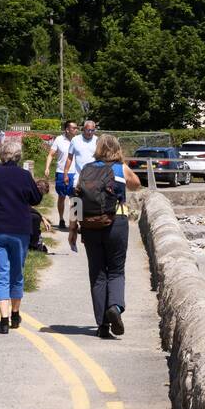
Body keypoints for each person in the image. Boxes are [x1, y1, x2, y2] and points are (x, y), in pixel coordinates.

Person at [69, 134, 141, 339]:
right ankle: (115, 307)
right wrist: (123, 166)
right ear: (117, 149)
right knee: (116, 271)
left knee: (97, 273)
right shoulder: (121, 168)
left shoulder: (87, 169)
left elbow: (76, 198)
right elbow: (136, 184)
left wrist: (73, 228)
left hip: (90, 225)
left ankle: (102, 325)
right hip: (116, 223)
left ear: (98, 149)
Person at [0, 138, 43, 334]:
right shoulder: (24, 175)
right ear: (19, 156)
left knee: (0, 273)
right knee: (17, 272)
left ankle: (3, 319)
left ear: (2, 156)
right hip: (20, 229)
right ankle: (15, 313)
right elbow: (36, 199)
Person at [43, 119, 79, 230]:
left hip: (76, 173)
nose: (76, 130)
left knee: (76, 199)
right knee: (62, 197)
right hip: (61, 172)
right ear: (67, 129)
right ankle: (61, 219)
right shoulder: (59, 139)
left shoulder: (79, 140)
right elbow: (51, 154)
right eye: (74, 128)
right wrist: (47, 167)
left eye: (77, 128)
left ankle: (75, 223)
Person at [29, 178, 53, 254]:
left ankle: (35, 242)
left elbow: (28, 208)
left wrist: (43, 218)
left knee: (36, 217)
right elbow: (26, 207)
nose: (40, 196)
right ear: (38, 187)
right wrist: (42, 218)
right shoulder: (28, 191)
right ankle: (34, 244)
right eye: (41, 193)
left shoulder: (32, 192)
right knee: (35, 218)